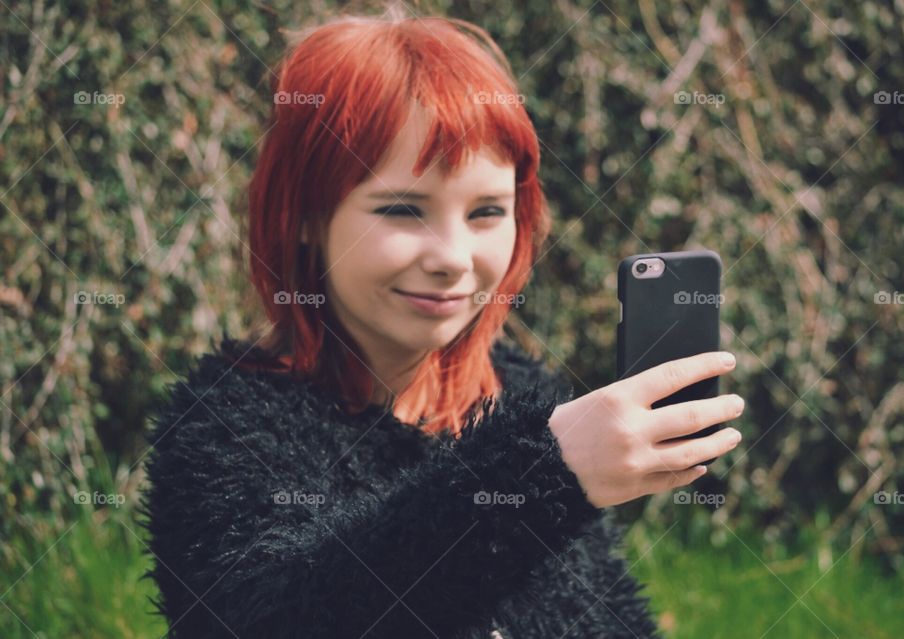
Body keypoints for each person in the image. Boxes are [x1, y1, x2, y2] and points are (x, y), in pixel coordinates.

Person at [139, 11, 745, 638]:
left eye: (486, 211)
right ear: (305, 216)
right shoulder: (226, 423)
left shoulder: (518, 395)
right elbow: (275, 616)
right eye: (403, 209)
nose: (453, 258)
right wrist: (545, 475)